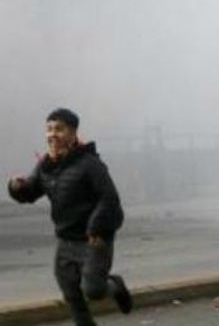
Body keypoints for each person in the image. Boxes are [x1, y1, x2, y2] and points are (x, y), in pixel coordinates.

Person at [8, 108, 133, 326]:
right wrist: (16, 187)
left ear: (73, 133)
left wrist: (97, 229)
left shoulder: (90, 164)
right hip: (65, 241)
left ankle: (115, 285)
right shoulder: (46, 165)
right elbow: (31, 191)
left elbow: (109, 198)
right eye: (49, 129)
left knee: (93, 290)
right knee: (72, 295)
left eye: (59, 129)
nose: (52, 135)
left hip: (94, 240)